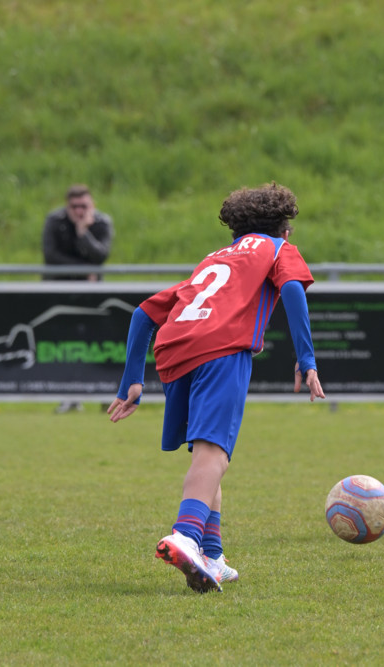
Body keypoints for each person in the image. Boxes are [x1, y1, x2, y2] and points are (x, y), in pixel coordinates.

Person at [107, 182, 325, 593]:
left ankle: (212, 555)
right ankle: (185, 534)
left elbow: (143, 314)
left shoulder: (214, 259)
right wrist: (307, 359)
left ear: (234, 230)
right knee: (213, 453)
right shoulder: (278, 248)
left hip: (173, 349)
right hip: (221, 349)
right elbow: (293, 289)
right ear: (286, 229)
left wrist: (132, 381)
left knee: (205, 455)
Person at [42, 184, 115, 413]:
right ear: (67, 207)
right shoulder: (54, 221)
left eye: (83, 206)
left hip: (92, 296)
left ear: (91, 205)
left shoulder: (102, 223)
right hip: (60, 294)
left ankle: (105, 392)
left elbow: (101, 255)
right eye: (74, 207)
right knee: (64, 343)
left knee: (97, 342)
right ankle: (70, 396)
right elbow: (51, 256)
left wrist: (84, 232)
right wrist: (85, 269)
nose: (79, 211)